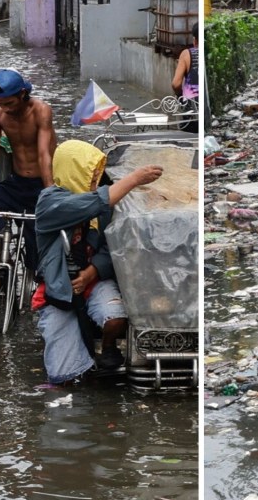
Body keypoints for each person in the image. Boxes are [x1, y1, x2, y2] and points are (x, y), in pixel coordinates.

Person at [33, 140, 163, 383]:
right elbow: (90, 204)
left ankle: (108, 347)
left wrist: (92, 272)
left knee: (115, 317)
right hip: (60, 288)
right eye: (90, 177)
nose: (95, 184)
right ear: (74, 173)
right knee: (61, 376)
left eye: (96, 178)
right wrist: (133, 179)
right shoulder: (49, 202)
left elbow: (110, 244)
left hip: (94, 279)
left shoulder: (103, 204)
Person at [0, 68, 57, 271]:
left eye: (9, 103)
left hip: (41, 184)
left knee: (38, 249)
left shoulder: (41, 110)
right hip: (16, 182)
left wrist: (50, 192)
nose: (6, 109)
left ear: (22, 94)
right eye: (1, 104)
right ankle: (5, 257)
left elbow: (45, 154)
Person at [172, 22, 200, 100]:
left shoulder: (186, 54)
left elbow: (176, 84)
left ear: (194, 40)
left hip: (191, 105)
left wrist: (180, 96)